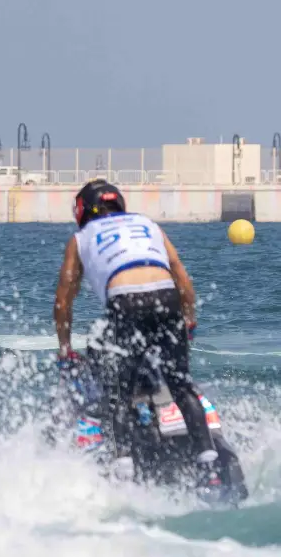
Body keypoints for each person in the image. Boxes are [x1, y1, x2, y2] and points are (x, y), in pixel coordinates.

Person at [52, 179, 223, 496]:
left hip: (125, 301)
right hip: (167, 299)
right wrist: (189, 320)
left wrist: (65, 349)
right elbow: (181, 277)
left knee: (118, 389)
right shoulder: (148, 225)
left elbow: (63, 301)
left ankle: (124, 468)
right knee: (180, 383)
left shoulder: (81, 238)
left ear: (82, 210)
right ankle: (209, 465)